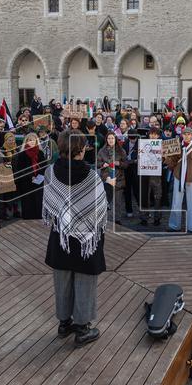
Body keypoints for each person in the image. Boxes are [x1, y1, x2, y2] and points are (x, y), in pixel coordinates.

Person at [43, 131, 110, 347]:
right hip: (86, 239)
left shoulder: (51, 172)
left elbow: (50, 203)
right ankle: (82, 329)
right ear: (80, 151)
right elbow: (100, 207)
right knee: (84, 281)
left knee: (62, 279)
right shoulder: (91, 176)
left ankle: (64, 324)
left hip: (61, 235)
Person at [165, 126, 192, 233]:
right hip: (178, 177)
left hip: (191, 179)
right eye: (185, 134)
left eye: (189, 134)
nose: (186, 136)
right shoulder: (177, 147)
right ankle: (174, 226)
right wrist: (166, 159)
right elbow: (172, 164)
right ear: (182, 135)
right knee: (176, 202)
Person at [13, 132, 46, 220]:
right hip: (26, 182)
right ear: (26, 141)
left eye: (34, 140)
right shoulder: (22, 154)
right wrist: (30, 176)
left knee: (38, 200)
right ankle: (28, 217)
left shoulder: (40, 153)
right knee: (28, 202)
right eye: (30, 140)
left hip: (39, 181)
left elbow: (44, 167)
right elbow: (20, 169)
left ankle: (38, 216)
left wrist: (39, 176)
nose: (32, 142)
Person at [95, 131, 126, 212]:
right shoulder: (102, 151)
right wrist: (102, 164)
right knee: (106, 202)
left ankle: (117, 220)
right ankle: (105, 219)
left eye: (112, 138)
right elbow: (97, 163)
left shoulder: (121, 151)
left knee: (118, 202)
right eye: (109, 138)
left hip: (118, 180)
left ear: (115, 139)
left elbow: (126, 164)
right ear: (106, 140)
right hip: (106, 179)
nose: (111, 140)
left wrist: (119, 163)